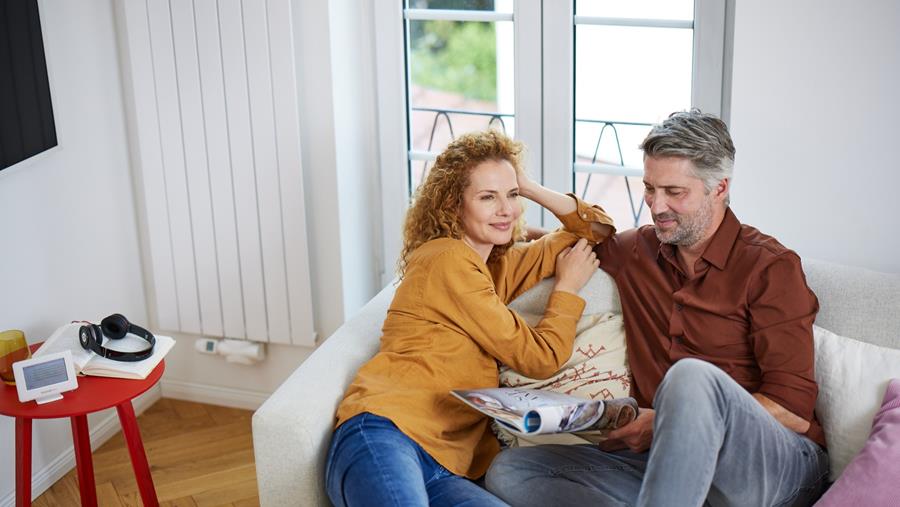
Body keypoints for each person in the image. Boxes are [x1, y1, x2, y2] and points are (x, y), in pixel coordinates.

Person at [486, 111, 830, 506]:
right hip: (667, 462)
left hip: (773, 465)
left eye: (674, 191)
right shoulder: (639, 251)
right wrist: (519, 197)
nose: (656, 205)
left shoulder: (770, 267)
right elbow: (576, 236)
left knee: (690, 379)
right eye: (649, 188)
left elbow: (793, 410)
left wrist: (670, 423)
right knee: (513, 470)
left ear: (719, 187)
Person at [325, 130, 615, 507]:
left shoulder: (498, 264)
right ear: (453, 204)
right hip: (386, 432)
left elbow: (598, 231)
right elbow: (539, 357)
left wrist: (526, 184)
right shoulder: (446, 258)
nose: (506, 210)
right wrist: (567, 290)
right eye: (487, 197)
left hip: (447, 466)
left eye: (511, 195)